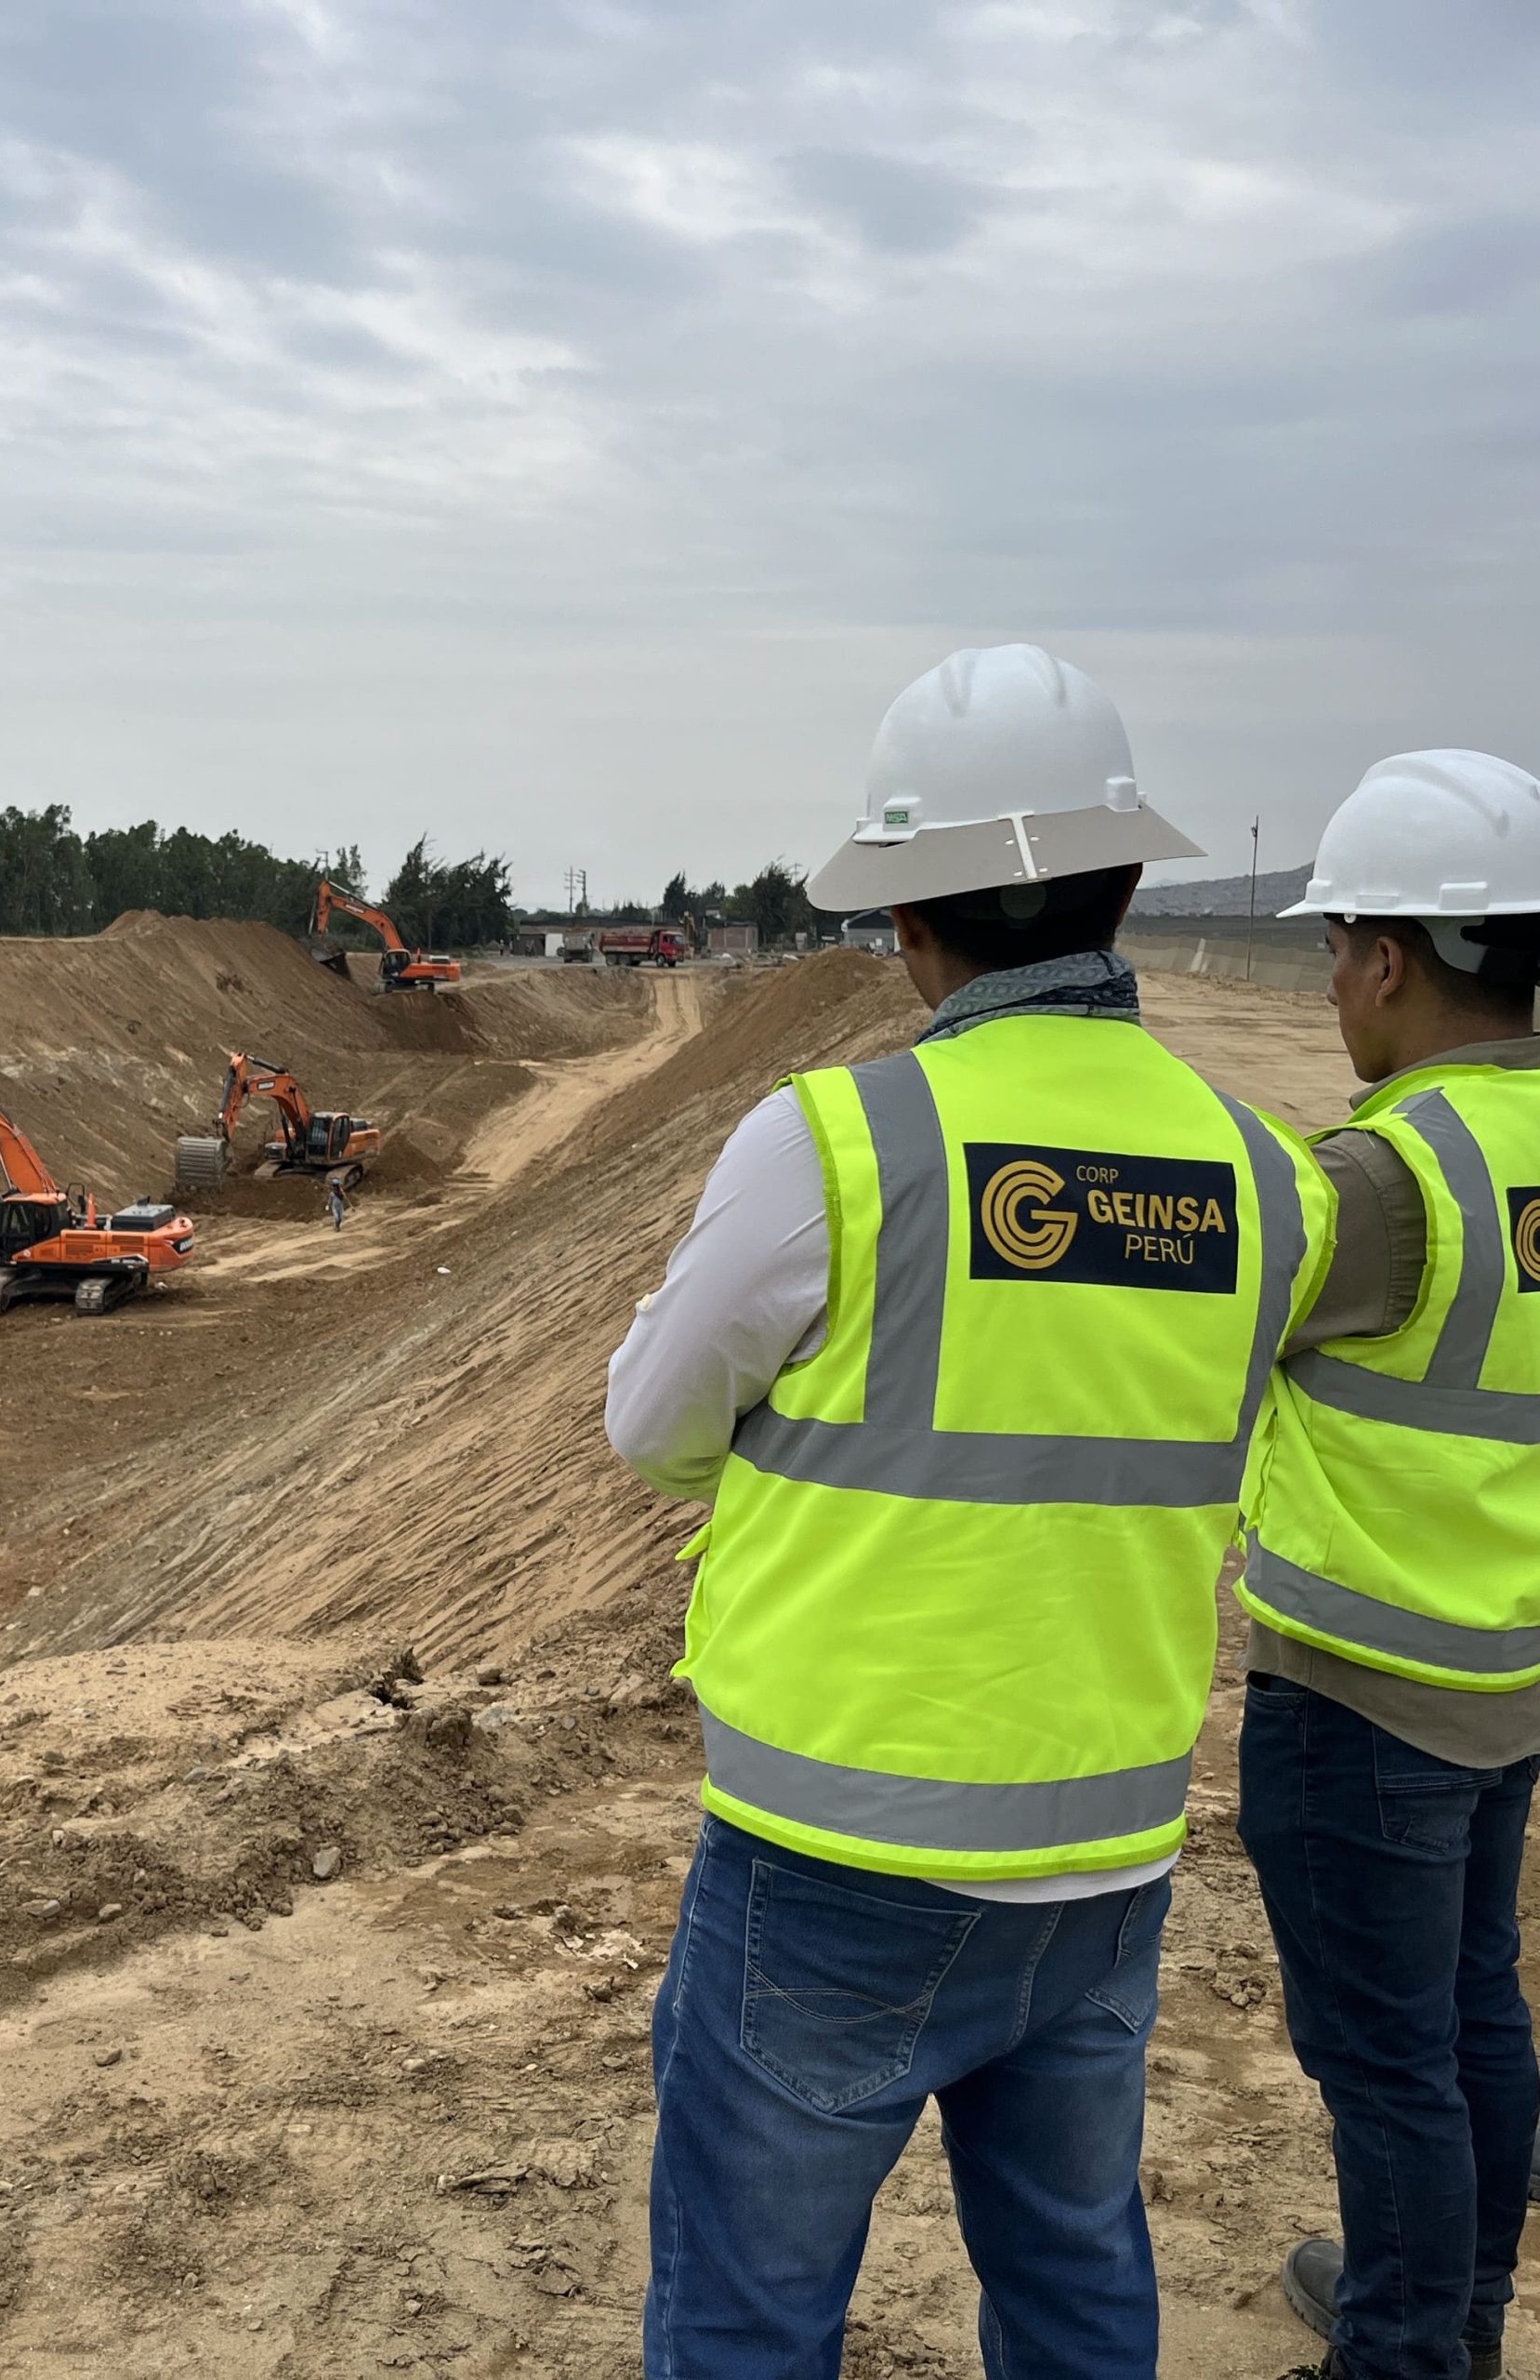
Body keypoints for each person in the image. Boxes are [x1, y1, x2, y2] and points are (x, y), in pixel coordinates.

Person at [606, 642, 1336, 2380]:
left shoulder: (838, 1145)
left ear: (909, 924)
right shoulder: (1266, 1178)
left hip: (836, 1852)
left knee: (748, 2314)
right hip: (1104, 1855)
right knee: (1077, 2286)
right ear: (1132, 883)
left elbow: (652, 1425)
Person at [1234, 750, 1540, 2380]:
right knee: (1476, 2016)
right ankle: (1458, 2315)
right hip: (1505, 1673)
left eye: (1342, 945)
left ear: (1394, 962)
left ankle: (1408, 2351)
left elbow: (1205, 1337)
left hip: (1362, 1704)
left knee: (1386, 2061)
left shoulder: (1384, 1179)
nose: (1337, 975)